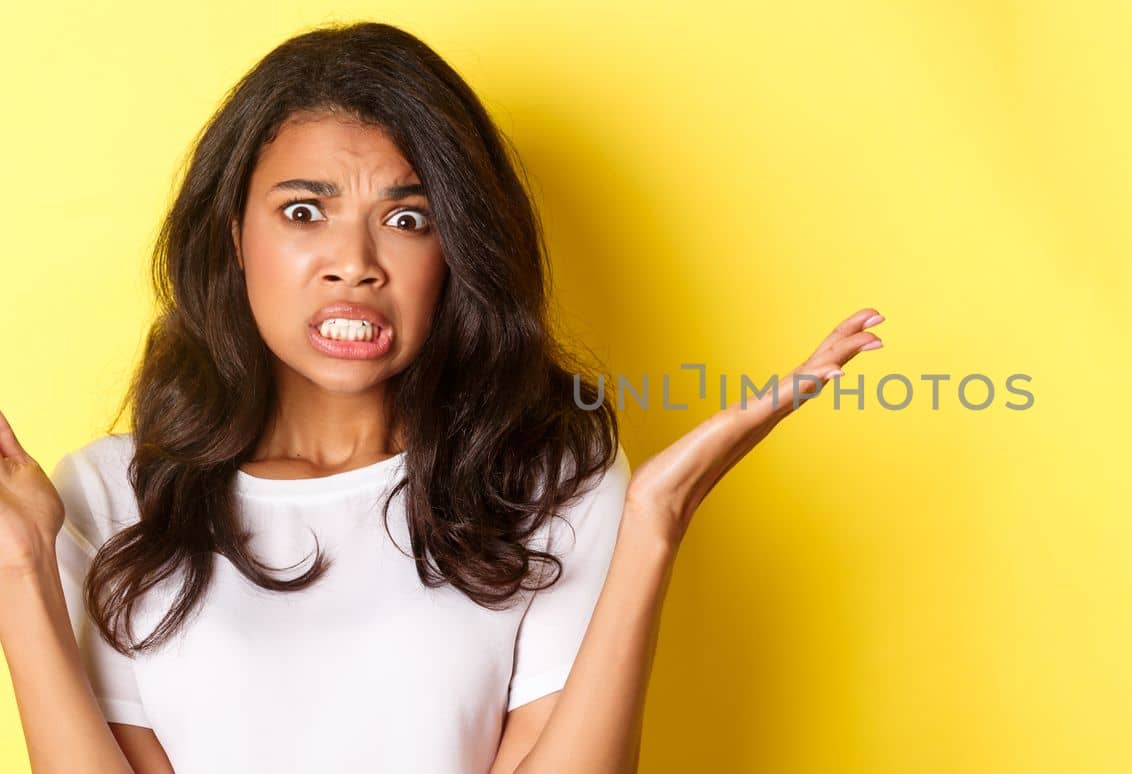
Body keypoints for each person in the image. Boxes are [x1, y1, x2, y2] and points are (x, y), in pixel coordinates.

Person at [0, 20, 885, 774]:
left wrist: (655, 520)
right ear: (235, 236)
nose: (356, 260)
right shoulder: (112, 497)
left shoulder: (544, 475)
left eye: (408, 217)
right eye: (304, 212)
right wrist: (19, 569)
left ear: (456, 250)